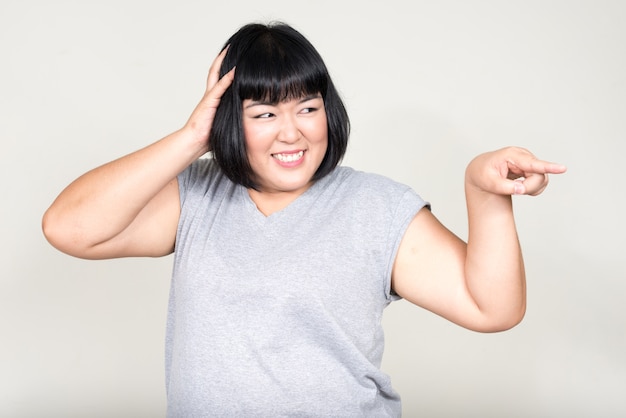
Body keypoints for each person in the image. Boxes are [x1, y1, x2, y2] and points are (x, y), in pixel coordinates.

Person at [42, 22, 566, 417]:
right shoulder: (196, 196)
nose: (290, 132)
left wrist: (483, 191)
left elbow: (492, 308)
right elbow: (69, 227)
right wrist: (192, 137)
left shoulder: (375, 207)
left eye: (306, 108)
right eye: (263, 114)